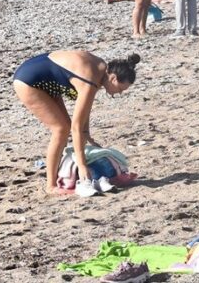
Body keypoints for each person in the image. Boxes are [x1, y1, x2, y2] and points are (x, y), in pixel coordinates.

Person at [13, 51, 140, 195]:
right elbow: (77, 126)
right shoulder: (90, 79)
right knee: (61, 130)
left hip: (49, 80)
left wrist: (88, 136)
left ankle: (60, 175)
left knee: (67, 129)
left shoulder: (101, 70)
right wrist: (82, 165)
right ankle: (50, 186)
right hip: (28, 81)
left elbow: (84, 112)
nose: (120, 93)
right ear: (113, 78)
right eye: (121, 89)